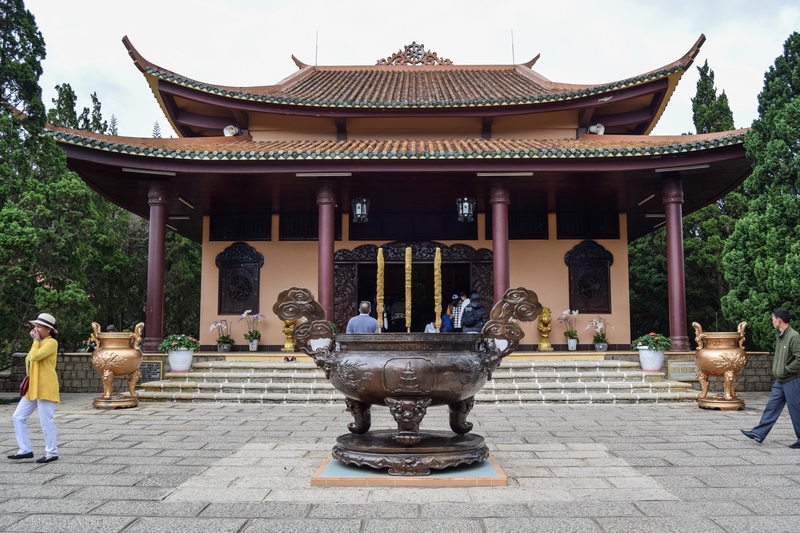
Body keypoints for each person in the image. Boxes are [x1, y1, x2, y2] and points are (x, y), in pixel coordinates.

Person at [741, 308, 800, 448]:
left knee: (795, 409)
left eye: (773, 319)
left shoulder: (794, 336)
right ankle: (759, 433)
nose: (772, 322)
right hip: (781, 380)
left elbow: (799, 358)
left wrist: (786, 370)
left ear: (779, 320)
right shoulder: (780, 336)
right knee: (771, 407)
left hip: (791, 379)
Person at [9, 313, 60, 463]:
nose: (35, 329)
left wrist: (36, 340)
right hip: (33, 387)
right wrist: (36, 341)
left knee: (46, 420)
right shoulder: (37, 343)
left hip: (45, 386)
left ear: (49, 329)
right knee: (18, 416)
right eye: (35, 326)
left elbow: (36, 356)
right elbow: (30, 359)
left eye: (39, 326)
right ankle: (25, 449)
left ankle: (52, 452)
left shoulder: (51, 343)